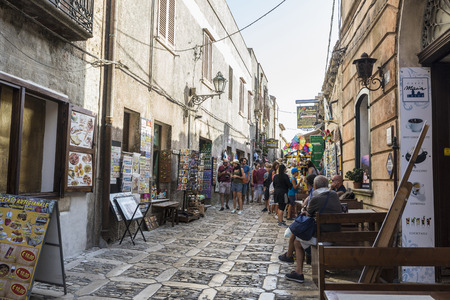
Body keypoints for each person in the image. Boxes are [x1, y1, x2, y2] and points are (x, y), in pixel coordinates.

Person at [285, 175, 342, 283]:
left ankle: (299, 272)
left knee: (297, 242)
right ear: (327, 185)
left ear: (315, 186)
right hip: (336, 233)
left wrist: (306, 211)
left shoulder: (316, 198)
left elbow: (308, 215)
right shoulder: (334, 195)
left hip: (322, 236)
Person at [279, 174, 316, 263]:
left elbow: (310, 211)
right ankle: (289, 254)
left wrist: (305, 210)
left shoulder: (315, 194)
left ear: (308, 183)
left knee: (295, 232)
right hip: (317, 224)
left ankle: (289, 255)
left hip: (314, 227)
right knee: (295, 230)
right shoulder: (315, 192)